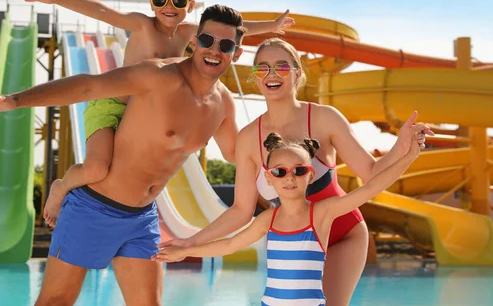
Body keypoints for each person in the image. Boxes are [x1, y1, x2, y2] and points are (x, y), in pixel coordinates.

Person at [0, 5, 247, 306]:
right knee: (55, 302)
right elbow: (89, 86)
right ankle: (65, 185)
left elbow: (235, 154)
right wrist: (13, 100)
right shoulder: (158, 76)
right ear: (194, 40)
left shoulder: (223, 105)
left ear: (236, 54)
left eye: (225, 45)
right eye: (207, 40)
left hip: (143, 217)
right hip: (92, 209)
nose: (214, 50)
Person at [159, 38, 433, 305]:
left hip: (343, 234)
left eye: (281, 66)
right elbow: (241, 211)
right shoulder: (248, 138)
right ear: (255, 77)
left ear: (297, 73)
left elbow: (372, 174)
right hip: (296, 242)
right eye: (262, 68)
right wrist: (191, 242)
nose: (271, 74)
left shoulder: (325, 118)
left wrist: (402, 145)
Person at [14, 0, 294, 226]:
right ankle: (61, 186)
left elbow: (234, 30)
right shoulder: (142, 25)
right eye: (160, 0)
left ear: (191, 5)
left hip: (147, 117)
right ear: (151, 2)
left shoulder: (191, 32)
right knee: (96, 169)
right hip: (113, 107)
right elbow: (102, 12)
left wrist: (270, 26)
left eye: (178, 1)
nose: (168, 7)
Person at [155, 128, 424, 305]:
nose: (290, 177)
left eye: (299, 170)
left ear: (311, 175)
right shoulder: (268, 219)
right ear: (269, 179)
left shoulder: (322, 212)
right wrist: (185, 251)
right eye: (280, 171)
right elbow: (228, 245)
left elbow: (372, 187)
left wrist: (409, 155)